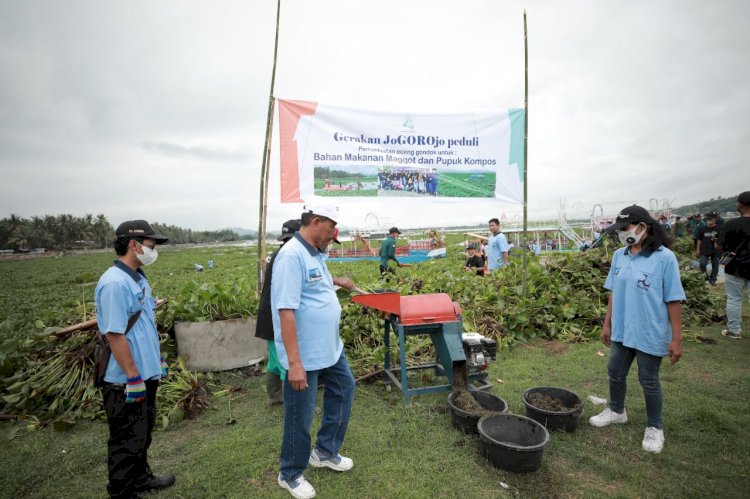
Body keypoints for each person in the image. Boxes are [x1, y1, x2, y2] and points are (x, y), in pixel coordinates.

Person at [271, 203, 357, 499]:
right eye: (331, 229)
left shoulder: (317, 252)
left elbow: (316, 287)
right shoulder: (291, 256)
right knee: (300, 413)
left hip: (330, 349)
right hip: (304, 355)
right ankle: (290, 474)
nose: (333, 236)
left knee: (345, 389)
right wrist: (294, 363)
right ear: (316, 221)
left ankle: (324, 451)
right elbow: (286, 312)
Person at [589, 205, 685, 454]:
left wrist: (677, 339)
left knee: (648, 379)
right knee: (615, 370)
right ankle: (616, 410)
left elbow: (673, 299)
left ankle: (655, 427)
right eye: (619, 229)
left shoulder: (664, 258)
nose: (621, 233)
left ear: (643, 227)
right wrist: (607, 324)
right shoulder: (620, 256)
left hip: (649, 330)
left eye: (625, 228)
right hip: (623, 328)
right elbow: (613, 293)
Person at [94, 220, 175, 498]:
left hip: (144, 373)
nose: (153, 250)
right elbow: (115, 335)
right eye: (150, 245)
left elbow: (144, 326)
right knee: (125, 439)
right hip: (125, 380)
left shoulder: (137, 277)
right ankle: (122, 492)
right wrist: (132, 376)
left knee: (142, 434)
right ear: (133, 245)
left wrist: (156, 362)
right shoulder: (114, 283)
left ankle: (140, 478)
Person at [255, 219, 302, 406]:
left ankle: (274, 397)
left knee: (274, 362)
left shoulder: (278, 254)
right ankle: (295, 402)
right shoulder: (288, 256)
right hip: (275, 317)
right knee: (285, 363)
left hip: (268, 315)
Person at [716, 191, 750, 339]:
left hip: (735, 267)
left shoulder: (731, 224)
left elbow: (718, 245)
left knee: (734, 299)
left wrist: (729, 249)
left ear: (740, 205)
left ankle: (734, 331)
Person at [696, 213, 721, 285]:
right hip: (704, 250)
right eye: (708, 218)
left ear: (715, 219)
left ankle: (713, 279)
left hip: (716, 250)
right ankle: (706, 276)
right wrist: (697, 250)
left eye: (711, 218)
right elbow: (699, 240)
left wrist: (716, 239)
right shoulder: (702, 229)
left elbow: (722, 239)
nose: (709, 220)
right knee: (702, 264)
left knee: (715, 265)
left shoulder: (719, 228)